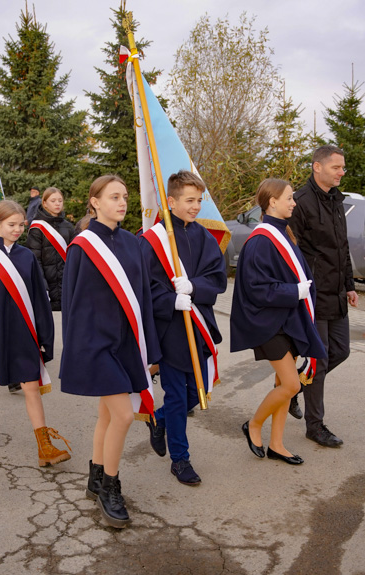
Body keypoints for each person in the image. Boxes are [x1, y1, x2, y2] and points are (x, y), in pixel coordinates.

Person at [61, 175, 161, 528]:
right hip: (95, 345)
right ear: (94, 202)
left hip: (126, 344)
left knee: (107, 414)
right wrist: (75, 351)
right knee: (121, 416)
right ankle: (110, 487)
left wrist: (150, 349)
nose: (122, 202)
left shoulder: (135, 244)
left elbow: (144, 300)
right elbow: (70, 303)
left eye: (125, 196)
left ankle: (96, 476)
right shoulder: (82, 246)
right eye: (113, 197)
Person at [0, 200, 71, 465]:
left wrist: (43, 334)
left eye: (21, 225)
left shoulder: (27, 256)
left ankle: (44, 446)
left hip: (22, 332)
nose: (17, 230)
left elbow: (37, 298)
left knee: (31, 384)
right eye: (11, 225)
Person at [230, 178, 326, 465]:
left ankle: (277, 444)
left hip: (287, 320)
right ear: (272, 201)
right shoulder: (260, 240)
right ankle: (254, 424)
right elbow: (257, 289)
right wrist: (293, 291)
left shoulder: (284, 233)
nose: (294, 202)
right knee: (292, 385)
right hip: (267, 323)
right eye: (289, 198)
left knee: (281, 384)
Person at [140, 170, 227, 485]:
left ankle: (159, 418)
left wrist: (193, 286)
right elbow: (144, 287)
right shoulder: (152, 240)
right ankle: (181, 459)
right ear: (171, 201)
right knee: (177, 396)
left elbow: (217, 278)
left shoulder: (203, 236)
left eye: (199, 200)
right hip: (170, 329)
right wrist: (169, 300)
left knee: (197, 392)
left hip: (199, 324)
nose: (196, 206)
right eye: (190, 200)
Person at [287, 145, 355, 448]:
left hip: (338, 294)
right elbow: (289, 251)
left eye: (342, 168)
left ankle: (290, 389)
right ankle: (316, 426)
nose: (341, 172)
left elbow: (342, 247)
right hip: (314, 295)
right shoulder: (300, 203)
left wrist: (350, 285)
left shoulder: (337, 200)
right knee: (319, 360)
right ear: (317, 167)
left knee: (340, 351)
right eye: (336, 168)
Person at [26, 187, 75, 311]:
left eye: (60, 200)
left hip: (66, 285)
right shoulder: (37, 227)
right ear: (45, 203)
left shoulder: (68, 227)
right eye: (53, 201)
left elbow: (74, 257)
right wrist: (43, 286)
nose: (57, 203)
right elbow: (35, 260)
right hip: (46, 286)